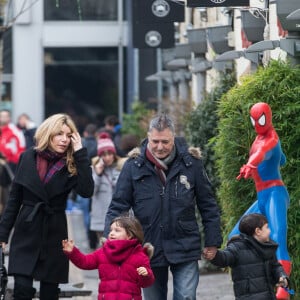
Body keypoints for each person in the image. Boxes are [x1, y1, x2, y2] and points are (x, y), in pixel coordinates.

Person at [104, 113, 223, 300]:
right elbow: (118, 206)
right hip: (148, 247)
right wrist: (111, 240)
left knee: (186, 297)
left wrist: (212, 241)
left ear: (173, 139)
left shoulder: (192, 164)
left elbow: (208, 205)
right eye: (155, 141)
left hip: (185, 245)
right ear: (148, 137)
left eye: (165, 142)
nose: (160, 147)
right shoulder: (133, 166)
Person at [0, 113, 94, 300]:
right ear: (48, 133)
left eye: (68, 135)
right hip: (27, 228)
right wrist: (3, 233)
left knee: (50, 293)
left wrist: (80, 153)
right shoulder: (28, 157)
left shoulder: (73, 163)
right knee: (22, 289)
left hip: (54, 230)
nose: (64, 139)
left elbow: (86, 191)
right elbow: (14, 197)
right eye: (59, 134)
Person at [230, 102, 291, 300]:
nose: (257, 123)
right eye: (254, 119)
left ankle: (285, 289)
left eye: (260, 119)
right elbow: (280, 158)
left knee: (278, 238)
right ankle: (259, 279)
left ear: (268, 117)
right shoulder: (260, 138)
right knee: (236, 235)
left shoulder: (270, 139)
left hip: (275, 193)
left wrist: (250, 164)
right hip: (263, 196)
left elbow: (262, 152)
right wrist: (280, 159)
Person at [62, 214, 155, 300]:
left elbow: (146, 283)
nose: (111, 233)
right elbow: (85, 262)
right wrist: (73, 252)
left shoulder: (140, 256)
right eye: (111, 230)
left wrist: (146, 274)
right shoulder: (103, 252)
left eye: (117, 230)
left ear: (130, 235)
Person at [206, 213, 289, 300]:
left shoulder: (268, 247)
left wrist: (282, 276)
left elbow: (275, 266)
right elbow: (225, 257)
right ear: (258, 231)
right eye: (267, 227)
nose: (269, 231)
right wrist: (215, 255)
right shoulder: (237, 247)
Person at [89, 132, 121, 244]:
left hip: (119, 218)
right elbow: (91, 192)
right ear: (100, 156)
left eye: (109, 153)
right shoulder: (94, 169)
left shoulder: (120, 168)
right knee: (105, 251)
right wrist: (97, 174)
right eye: (103, 154)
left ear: (114, 153)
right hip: (100, 218)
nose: (107, 157)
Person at [75, 123, 98, 250]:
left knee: (85, 211)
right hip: (94, 178)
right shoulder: (98, 145)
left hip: (82, 179)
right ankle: (94, 235)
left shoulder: (81, 145)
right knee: (93, 210)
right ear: (95, 134)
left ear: (85, 133)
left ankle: (89, 235)